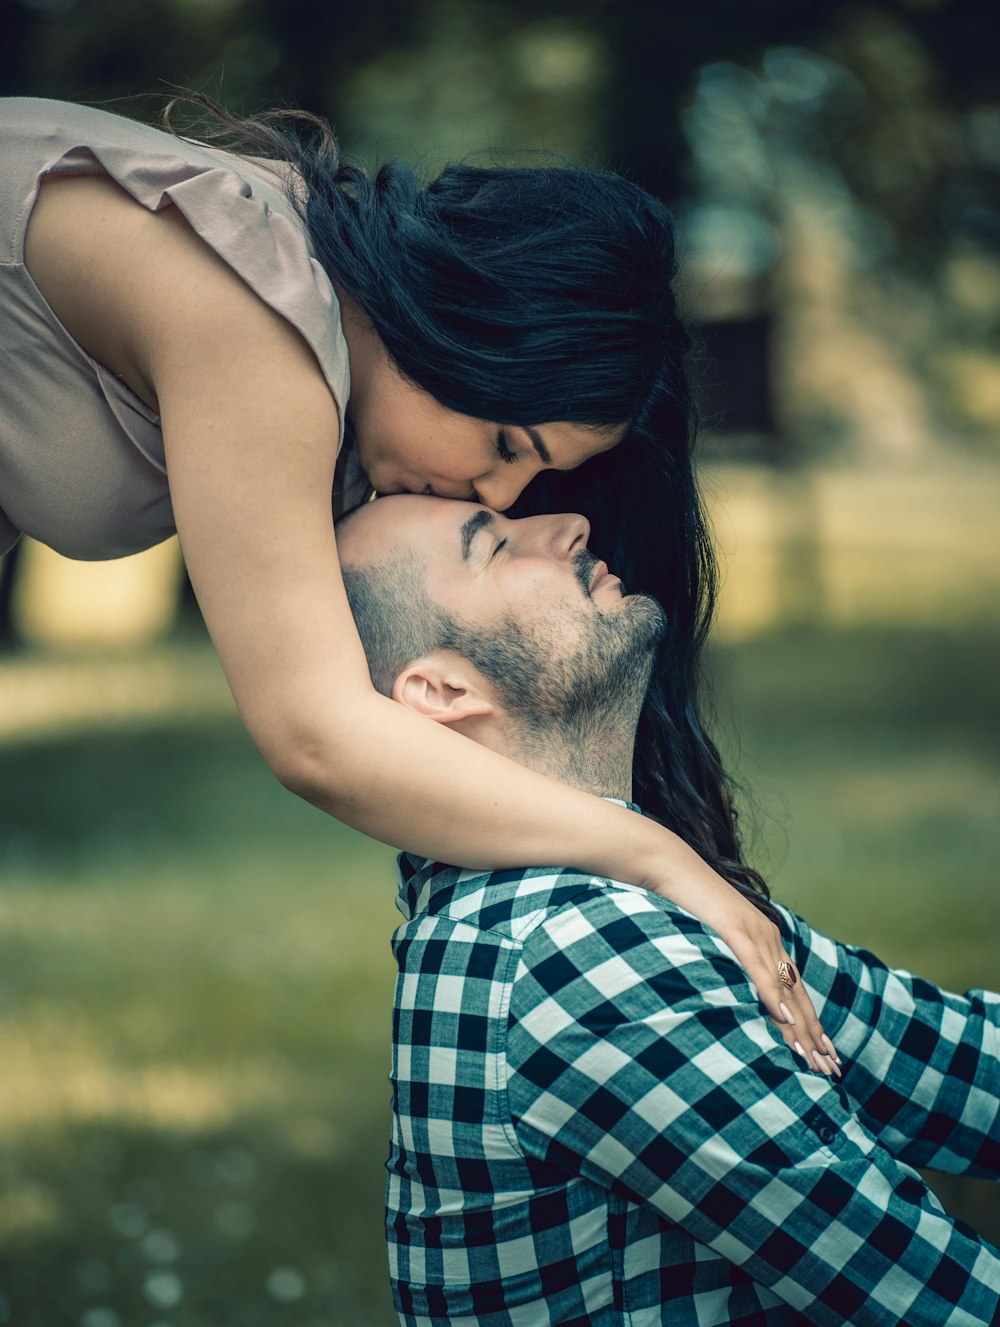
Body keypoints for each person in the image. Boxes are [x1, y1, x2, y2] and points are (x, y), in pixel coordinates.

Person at [0, 91, 834, 1060]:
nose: (502, 491)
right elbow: (315, 735)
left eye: (535, 473)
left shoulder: (312, 299)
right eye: (504, 442)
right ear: (450, 324)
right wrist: (656, 856)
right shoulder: (257, 324)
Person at [333, 492, 1000, 1327]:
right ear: (436, 686)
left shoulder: (605, 903)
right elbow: (939, 1314)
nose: (569, 526)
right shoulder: (577, 954)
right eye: (496, 544)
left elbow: (947, 1061)